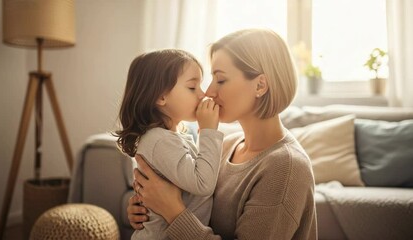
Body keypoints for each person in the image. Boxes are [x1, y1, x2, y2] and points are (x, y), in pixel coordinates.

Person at [128, 29, 317, 240]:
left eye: (221, 80)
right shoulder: (226, 145)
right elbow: (192, 199)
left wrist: (172, 211)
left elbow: (178, 208)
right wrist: (149, 210)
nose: (208, 92)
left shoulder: (286, 168)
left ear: (260, 85)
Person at [115, 49, 224, 240]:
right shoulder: (160, 141)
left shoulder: (167, 138)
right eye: (192, 87)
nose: (202, 94)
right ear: (161, 97)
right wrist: (209, 132)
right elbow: (203, 183)